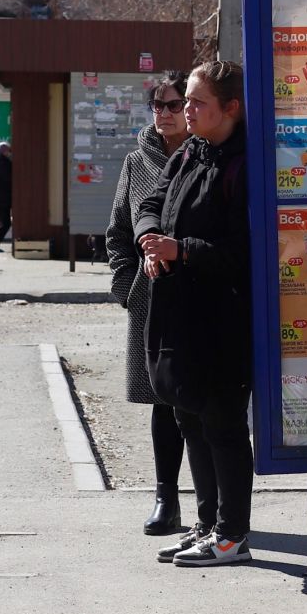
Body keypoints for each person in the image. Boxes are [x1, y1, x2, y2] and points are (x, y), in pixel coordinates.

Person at [135, 61, 255, 567]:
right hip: (179, 312)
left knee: (223, 426)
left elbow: (244, 251)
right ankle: (207, 523)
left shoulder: (243, 164)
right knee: (191, 419)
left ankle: (232, 535)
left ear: (230, 108)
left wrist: (181, 249)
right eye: (184, 100)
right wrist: (148, 240)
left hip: (222, 320)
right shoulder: (190, 151)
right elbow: (152, 200)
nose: (185, 110)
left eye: (196, 102)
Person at [106, 71, 192, 535]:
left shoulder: (205, 153)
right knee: (162, 399)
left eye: (173, 105)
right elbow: (118, 228)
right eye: (157, 106)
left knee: (200, 401)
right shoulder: (137, 160)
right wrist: (127, 286)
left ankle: (215, 507)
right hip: (150, 300)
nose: (165, 114)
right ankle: (166, 498)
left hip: (201, 294)